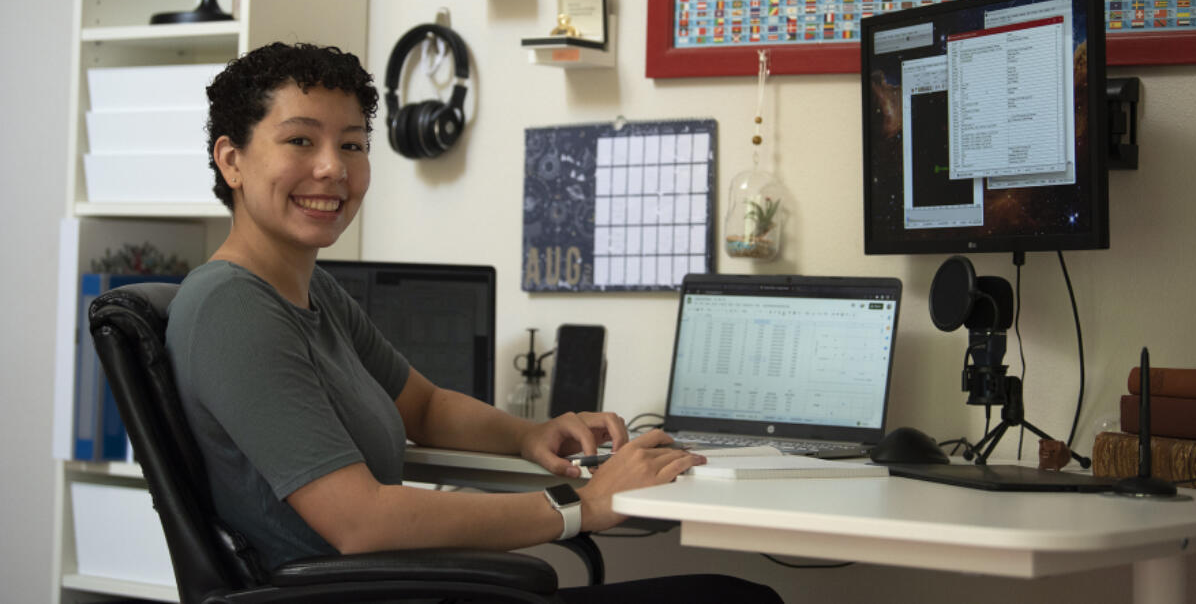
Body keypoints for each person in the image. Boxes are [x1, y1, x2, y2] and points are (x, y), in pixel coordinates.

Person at [166, 42, 782, 603]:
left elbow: (426, 407)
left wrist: (528, 434)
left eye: (352, 144)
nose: (334, 168)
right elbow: (361, 521)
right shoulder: (232, 307)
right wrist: (581, 505)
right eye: (301, 141)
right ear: (233, 161)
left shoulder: (312, 291)